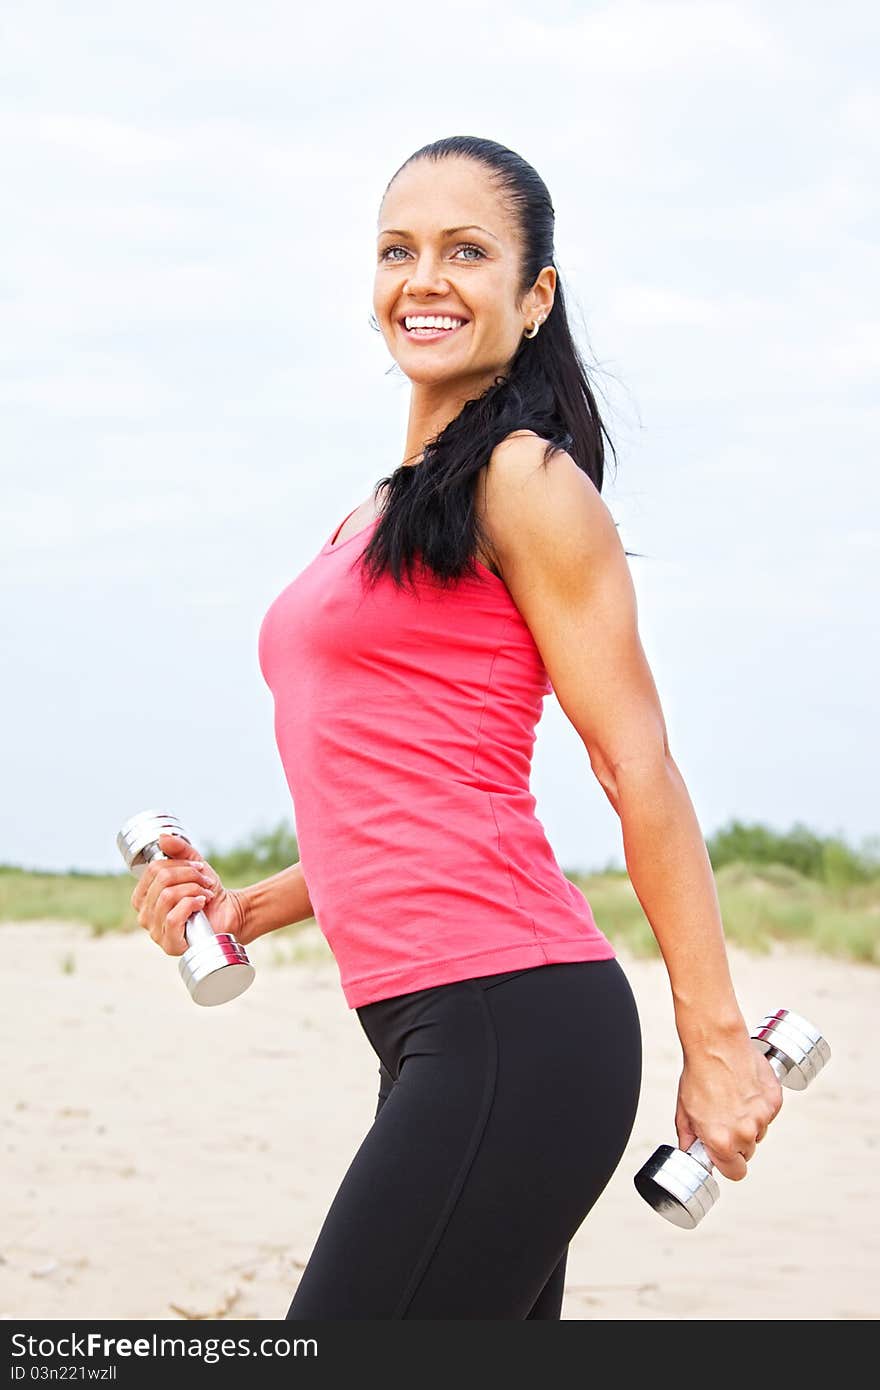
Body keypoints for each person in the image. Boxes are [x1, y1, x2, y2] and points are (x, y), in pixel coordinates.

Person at [130, 135, 784, 1320]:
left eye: (466, 251)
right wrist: (252, 909)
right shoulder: (382, 508)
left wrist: (719, 1035)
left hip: (512, 1015)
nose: (423, 278)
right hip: (440, 1023)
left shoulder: (526, 479)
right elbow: (409, 803)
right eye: (397, 250)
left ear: (535, 296)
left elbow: (633, 762)